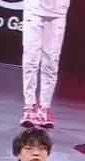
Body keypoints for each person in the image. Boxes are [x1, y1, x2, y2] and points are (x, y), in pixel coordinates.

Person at [20, 0, 70, 128]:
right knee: (31, 59)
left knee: (51, 62)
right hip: (34, 9)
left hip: (58, 11)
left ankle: (44, 107)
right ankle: (29, 106)